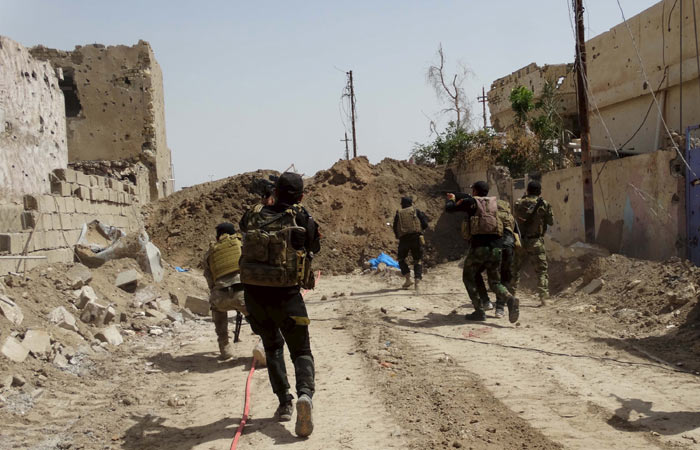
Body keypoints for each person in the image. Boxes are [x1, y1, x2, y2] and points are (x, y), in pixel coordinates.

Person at [239, 172, 320, 438]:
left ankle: (284, 403)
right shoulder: (302, 218)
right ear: (301, 196)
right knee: (301, 350)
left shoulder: (253, 215)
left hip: (255, 297)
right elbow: (314, 246)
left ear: (275, 191)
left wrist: (266, 201)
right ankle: (305, 395)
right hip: (287, 297)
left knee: (272, 347)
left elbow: (244, 226)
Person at [445, 181, 519, 323]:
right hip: (497, 247)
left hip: (479, 247)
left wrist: (451, 199)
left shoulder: (471, 202)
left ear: (475, 191)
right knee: (494, 282)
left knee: (469, 276)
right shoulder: (493, 203)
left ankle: (479, 311)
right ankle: (510, 299)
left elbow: (449, 209)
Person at [202, 222, 248, 359]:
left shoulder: (210, 252)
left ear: (218, 236)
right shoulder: (242, 244)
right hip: (242, 294)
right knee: (262, 319)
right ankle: (264, 347)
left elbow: (210, 280)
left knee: (217, 310)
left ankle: (225, 348)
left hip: (220, 297)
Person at [474, 198, 520, 318]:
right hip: (508, 249)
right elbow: (517, 236)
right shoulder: (510, 217)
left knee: (476, 273)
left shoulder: (489, 216)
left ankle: (486, 301)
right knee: (505, 277)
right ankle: (500, 309)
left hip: (493, 248)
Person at [513, 180, 553, 306]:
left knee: (514, 269)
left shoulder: (518, 203)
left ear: (527, 190)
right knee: (541, 270)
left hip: (520, 241)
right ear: (539, 191)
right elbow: (551, 222)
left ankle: (510, 296)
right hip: (536, 241)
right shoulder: (544, 204)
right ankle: (544, 298)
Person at [392, 196, 429, 290]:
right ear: (411, 203)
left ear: (402, 204)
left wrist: (399, 236)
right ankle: (417, 282)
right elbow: (425, 224)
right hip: (416, 238)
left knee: (401, 259)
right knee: (417, 260)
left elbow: (395, 228)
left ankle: (408, 279)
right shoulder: (416, 211)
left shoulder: (399, 213)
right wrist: (420, 230)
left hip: (404, 239)